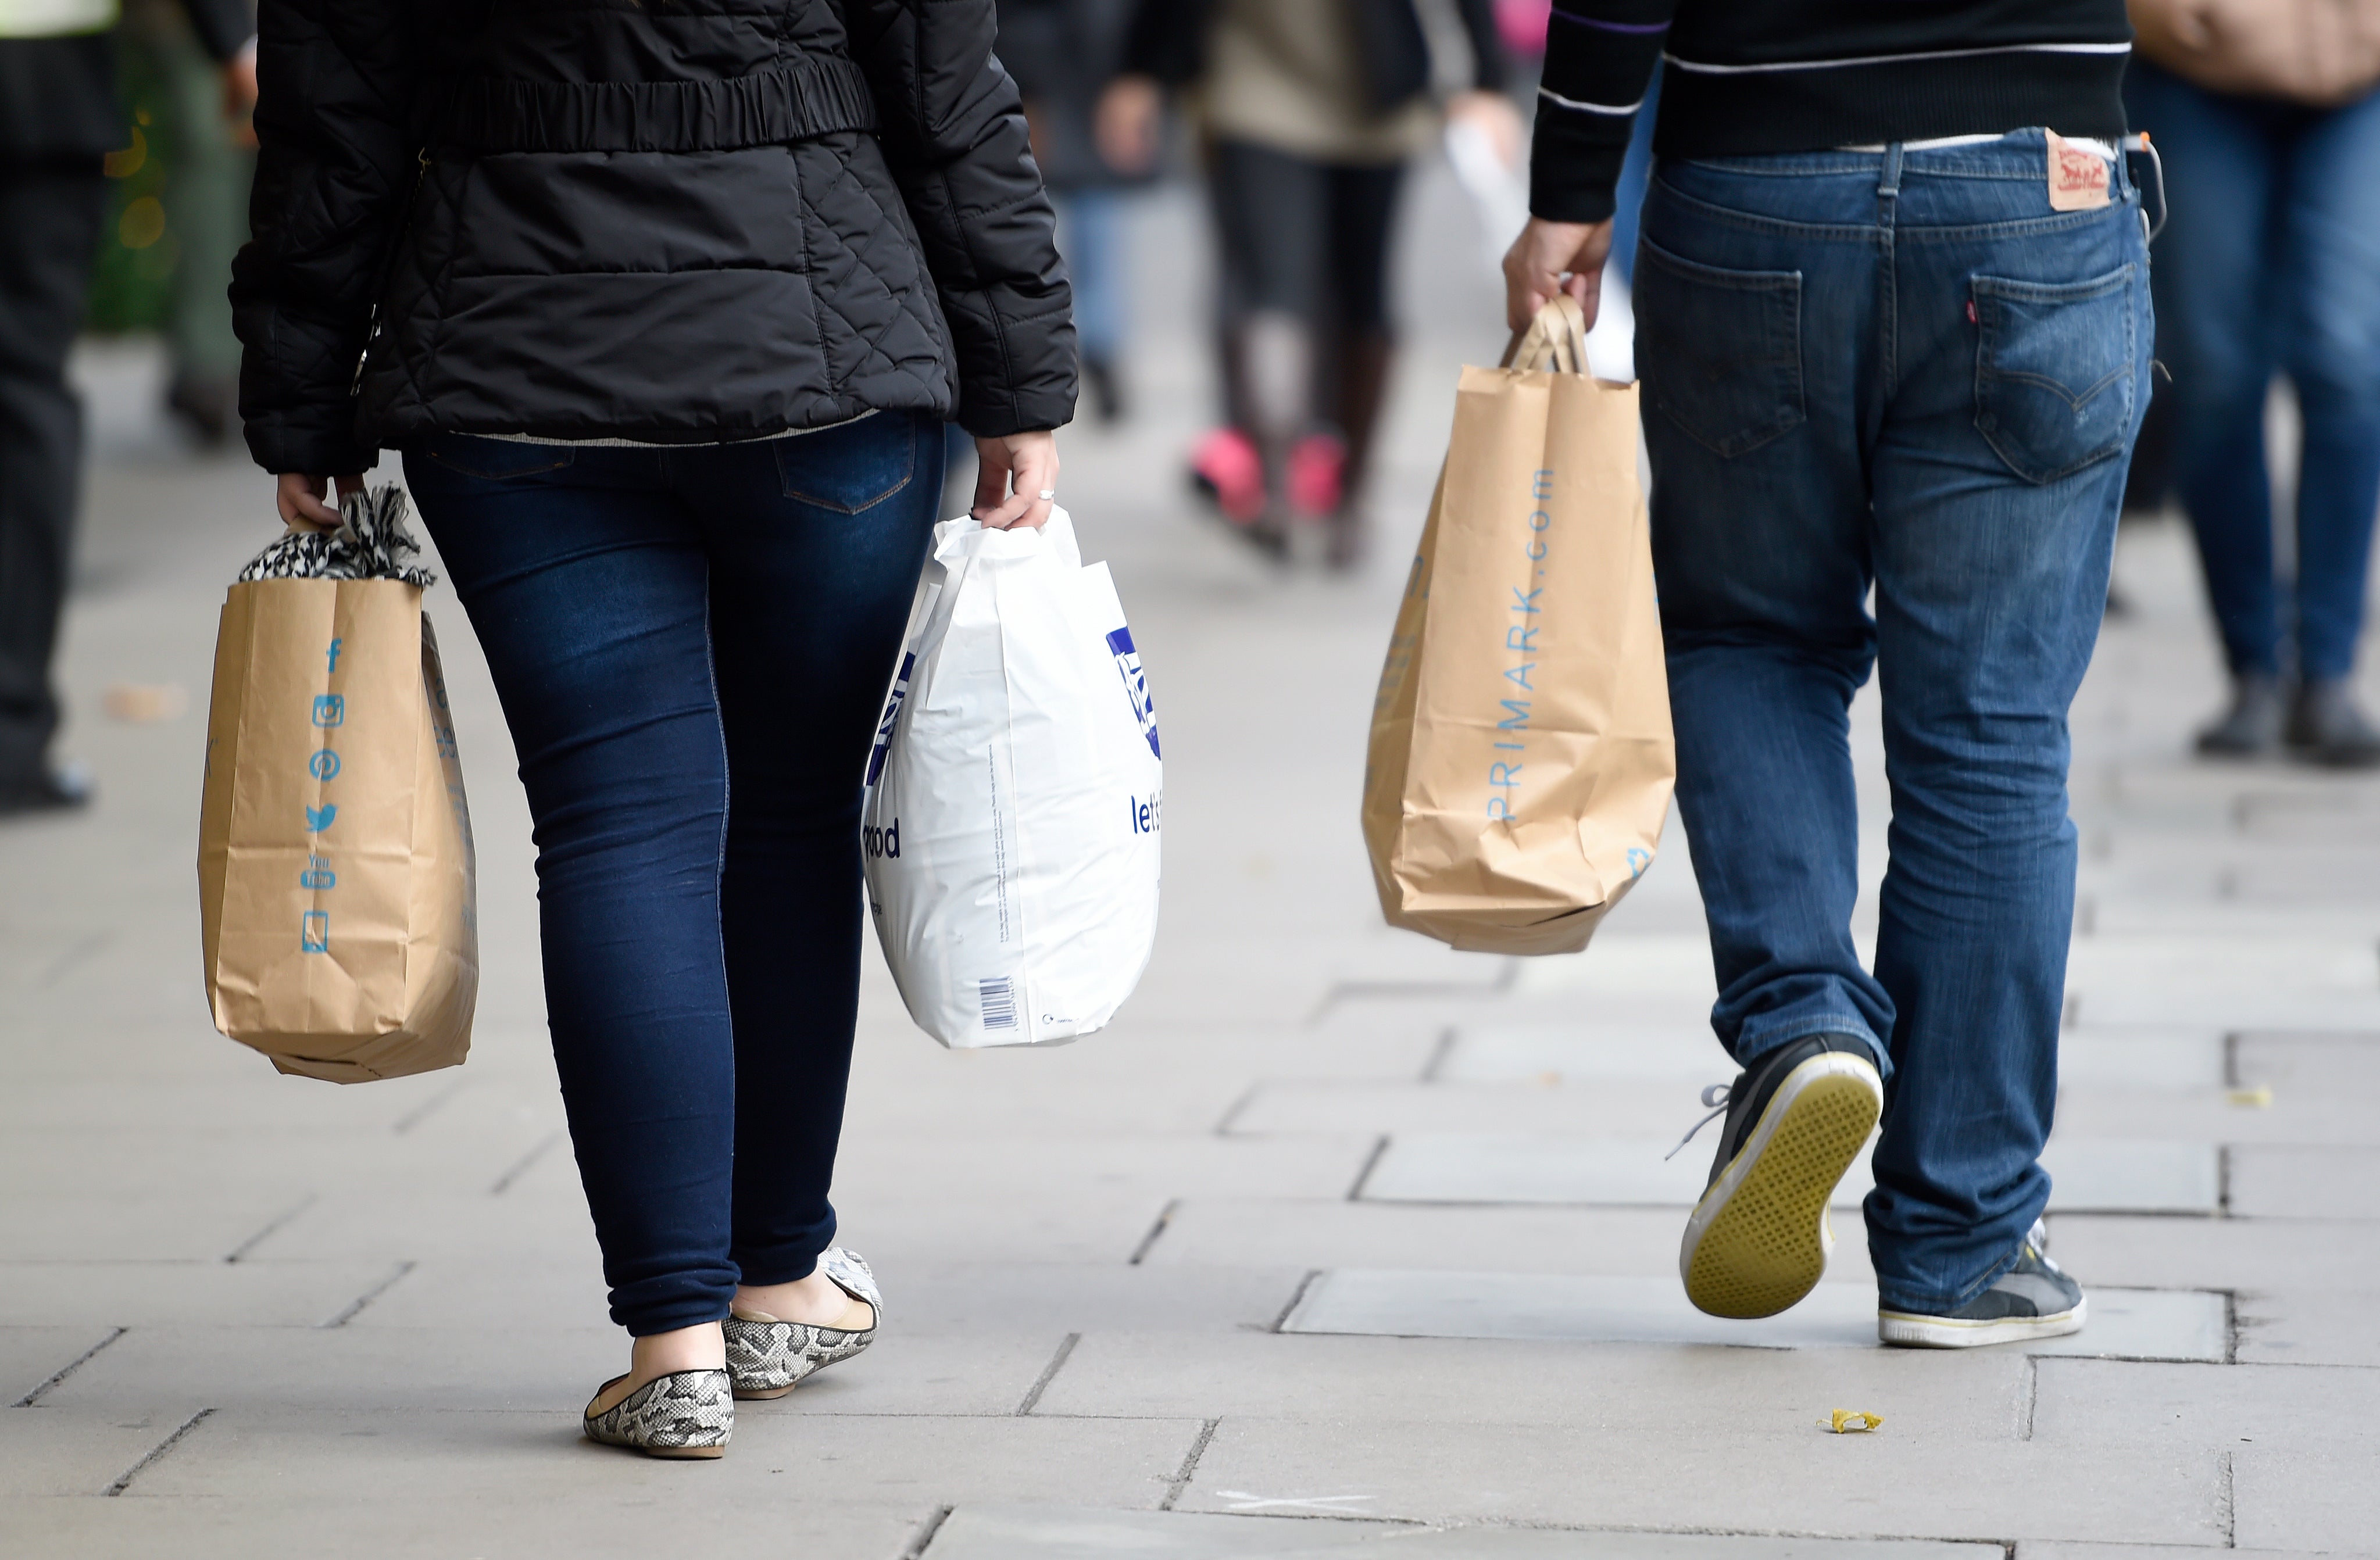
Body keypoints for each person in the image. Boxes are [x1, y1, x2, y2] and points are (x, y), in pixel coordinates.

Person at [233, 0, 1072, 1458]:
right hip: (822, 362)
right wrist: (1022, 376)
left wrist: (302, 398)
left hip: (514, 366)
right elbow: (948, 92)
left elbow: (332, 110)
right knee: (793, 817)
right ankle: (777, 1276)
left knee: (620, 822)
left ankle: (669, 1340)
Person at [1507, 0, 2149, 1345]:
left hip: (1752, 190)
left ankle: (1801, 1016)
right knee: (1987, 735)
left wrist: (1570, 187)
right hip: (2035, 185)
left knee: (1747, 636)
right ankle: (1958, 1246)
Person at [1101, 0, 1518, 566]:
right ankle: (1335, 499)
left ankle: (1287, 491)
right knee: (1339, 293)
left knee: (1296, 290)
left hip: (1363, 82)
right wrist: (1142, 70)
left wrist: (1141, 70)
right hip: (1270, 71)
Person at [0, 0, 252, 818]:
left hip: (54, 83)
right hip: (49, 84)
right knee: (25, 392)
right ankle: (11, 736)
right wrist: (233, 41)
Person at [2123, 0, 2380, 765]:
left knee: (2344, 355)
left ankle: (2327, 672)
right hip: (2195, 64)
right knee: (2212, 372)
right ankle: (2252, 670)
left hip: (2360, 67)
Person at [999, 0, 1141, 424]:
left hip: (1087, 67)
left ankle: (1090, 344)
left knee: (1084, 214)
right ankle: (1070, 347)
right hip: (1050, 68)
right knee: (1030, 223)